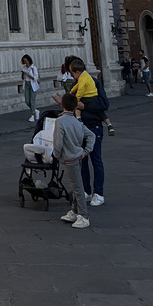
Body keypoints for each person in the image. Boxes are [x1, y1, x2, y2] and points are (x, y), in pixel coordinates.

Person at [66, 57, 107, 206]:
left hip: (94, 126)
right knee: (81, 160)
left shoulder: (94, 83)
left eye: (73, 72)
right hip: (80, 128)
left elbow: (104, 104)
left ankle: (99, 193)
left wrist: (85, 107)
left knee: (96, 159)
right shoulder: (77, 84)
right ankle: (86, 191)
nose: (72, 76)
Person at [54, 92, 94, 229]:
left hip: (69, 157)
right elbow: (91, 135)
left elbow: (58, 143)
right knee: (75, 184)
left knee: (77, 187)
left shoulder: (60, 121)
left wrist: (57, 155)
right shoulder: (77, 122)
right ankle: (75, 211)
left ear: (63, 105)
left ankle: (83, 215)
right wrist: (86, 151)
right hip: (78, 155)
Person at [20, 54, 40, 122]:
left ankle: (32, 115)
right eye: (24, 62)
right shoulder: (24, 68)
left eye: (26, 61)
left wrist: (28, 74)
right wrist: (23, 74)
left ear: (29, 61)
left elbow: (35, 78)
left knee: (32, 100)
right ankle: (35, 110)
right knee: (27, 100)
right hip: (26, 84)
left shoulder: (33, 68)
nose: (25, 63)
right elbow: (23, 78)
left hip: (33, 84)